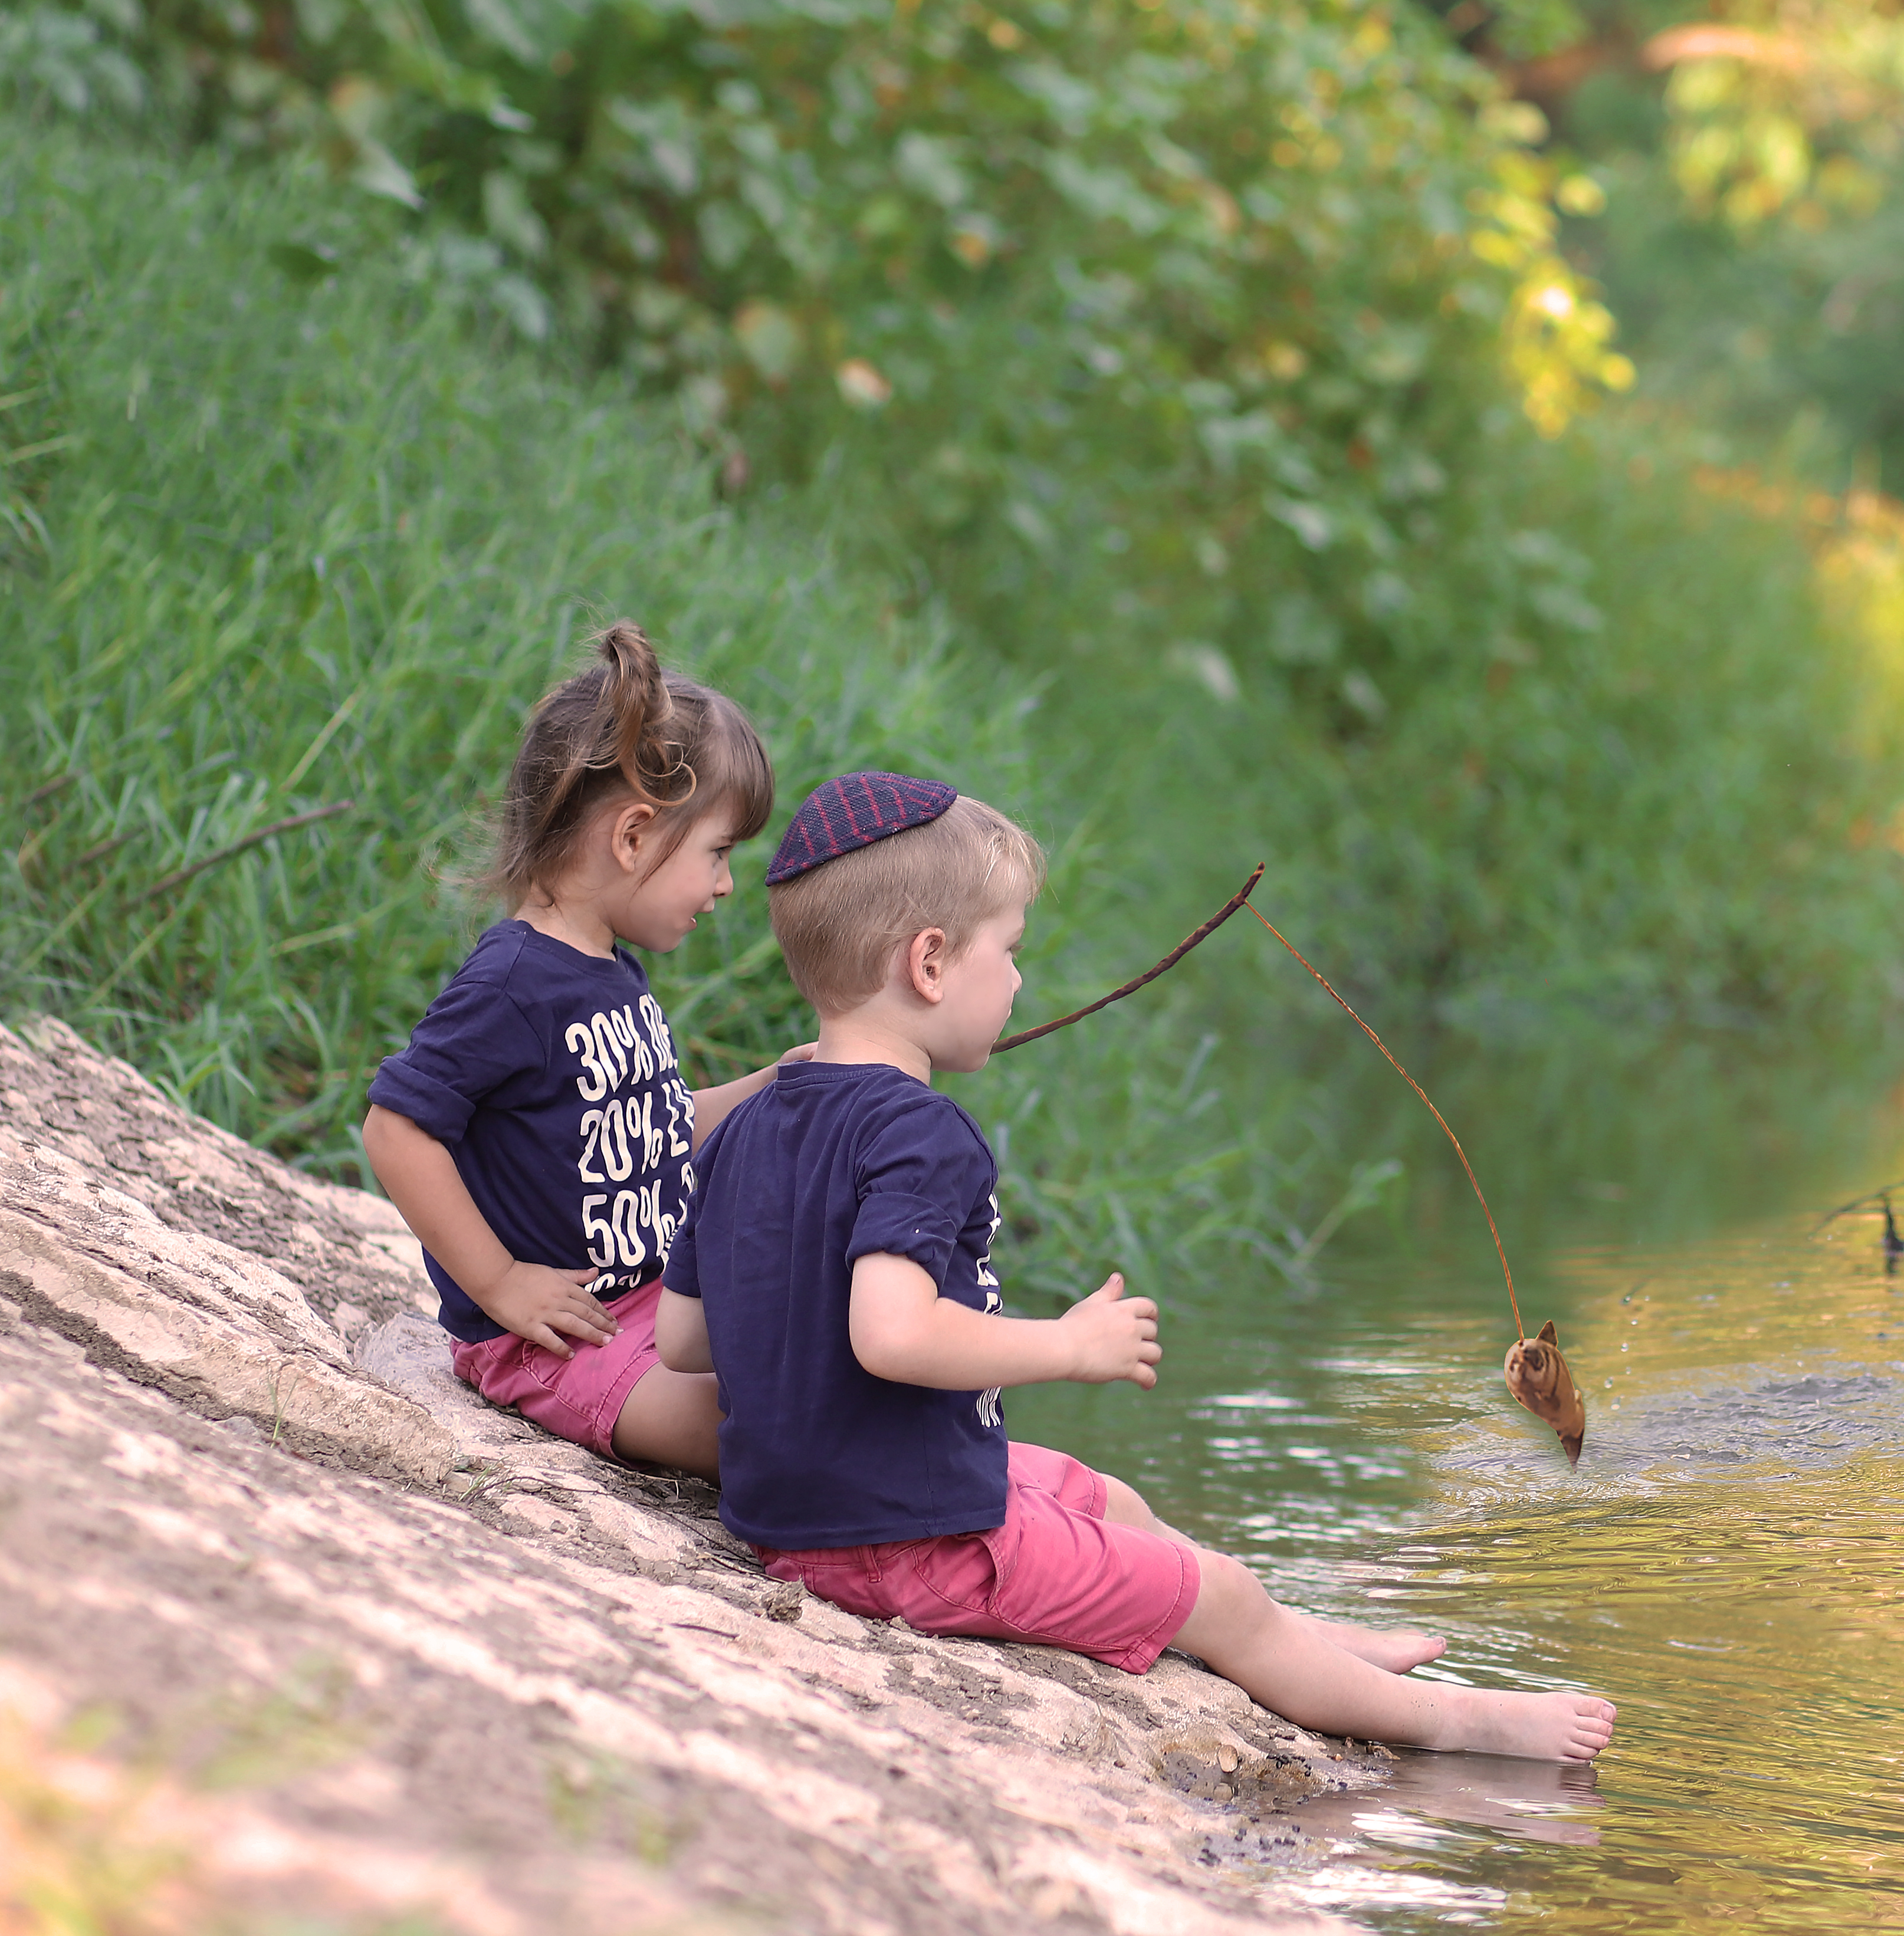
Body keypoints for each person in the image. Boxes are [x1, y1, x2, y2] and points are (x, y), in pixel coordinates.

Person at [658, 774, 1616, 1762]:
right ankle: (1462, 1724)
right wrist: (1067, 1345)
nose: (1021, 983)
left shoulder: (749, 1124)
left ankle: (1303, 1640)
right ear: (931, 963)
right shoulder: (918, 1131)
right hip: (907, 1549)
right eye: (1012, 951)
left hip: (799, 1515)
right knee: (1226, 1597)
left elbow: (683, 1341)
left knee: (1109, 1499)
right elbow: (891, 1333)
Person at [361, 623, 808, 1478]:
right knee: (764, 1428)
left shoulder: (611, 972)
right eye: (717, 853)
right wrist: (498, 1284)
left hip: (649, 1311)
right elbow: (396, 1129)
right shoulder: (513, 981)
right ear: (634, 836)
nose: (724, 885)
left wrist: (778, 1082)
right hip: (556, 1340)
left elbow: (658, 1128)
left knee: (811, 1362)